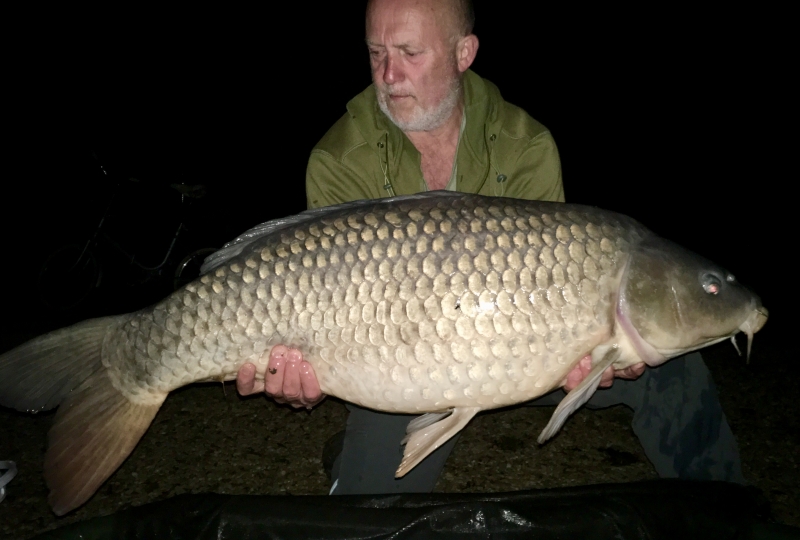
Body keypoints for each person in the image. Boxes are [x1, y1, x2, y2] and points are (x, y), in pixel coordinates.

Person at [236, 0, 745, 493]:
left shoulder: (527, 145)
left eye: (410, 54)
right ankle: (349, 463)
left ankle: (728, 515)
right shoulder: (339, 157)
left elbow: (562, 299)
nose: (387, 76)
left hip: (524, 360)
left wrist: (599, 360)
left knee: (676, 375)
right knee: (372, 518)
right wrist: (300, 377)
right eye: (376, 53)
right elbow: (311, 306)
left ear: (464, 53)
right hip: (395, 372)